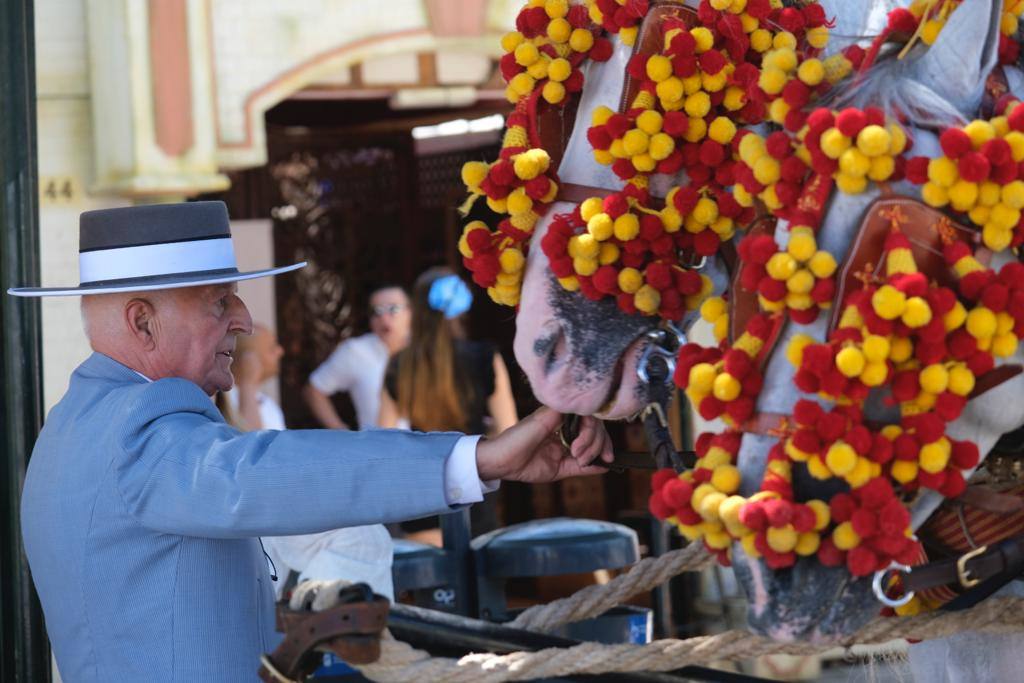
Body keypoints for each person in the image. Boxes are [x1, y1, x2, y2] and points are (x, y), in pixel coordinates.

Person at [8, 201, 613, 683]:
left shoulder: (77, 424)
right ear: (142, 321)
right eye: (220, 301)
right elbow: (260, 474)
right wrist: (476, 458)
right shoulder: (140, 425)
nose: (243, 321)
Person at [218, 324, 396, 601]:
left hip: (274, 518)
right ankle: (318, 613)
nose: (280, 352)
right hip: (256, 519)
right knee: (361, 539)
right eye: (271, 347)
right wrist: (248, 383)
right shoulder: (232, 400)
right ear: (249, 359)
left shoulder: (264, 402)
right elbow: (252, 456)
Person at [380, 267, 518, 537]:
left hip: (423, 492)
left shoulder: (400, 365)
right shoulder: (485, 357)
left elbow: (384, 438)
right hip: (474, 486)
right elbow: (509, 430)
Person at [303, 284, 410, 429]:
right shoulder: (356, 351)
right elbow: (314, 390)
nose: (384, 318)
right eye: (376, 312)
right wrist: (339, 430)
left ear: (411, 312)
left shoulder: (428, 349)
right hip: (376, 448)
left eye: (393, 309)